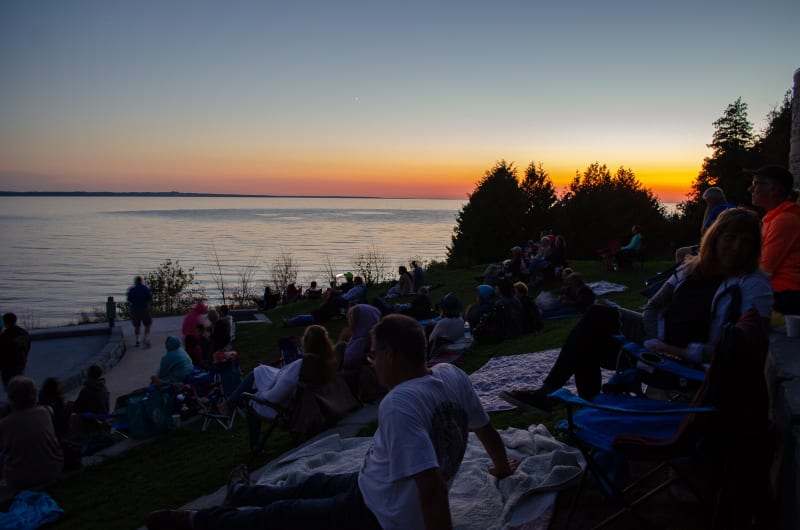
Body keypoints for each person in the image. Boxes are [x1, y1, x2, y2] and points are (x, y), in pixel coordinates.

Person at [146, 314, 518, 530]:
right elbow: (484, 426)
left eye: (373, 355)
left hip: (377, 513)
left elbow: (432, 487)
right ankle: (242, 493)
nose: (371, 362)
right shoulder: (451, 375)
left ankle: (196, 522)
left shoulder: (400, 403)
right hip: (374, 485)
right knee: (311, 483)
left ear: (389, 355)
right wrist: (501, 466)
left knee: (281, 517)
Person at [501, 207, 773, 413]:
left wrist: (679, 352)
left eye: (746, 242)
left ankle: (576, 404)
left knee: (589, 342)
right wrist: (655, 341)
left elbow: (741, 347)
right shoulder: (692, 269)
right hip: (657, 342)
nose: (737, 247)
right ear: (716, 238)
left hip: (689, 366)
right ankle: (565, 399)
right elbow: (654, 306)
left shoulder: (752, 284)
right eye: (731, 238)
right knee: (596, 316)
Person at [216, 325, 339, 418]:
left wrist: (261, 393)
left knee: (254, 382)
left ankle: (229, 406)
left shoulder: (302, 365)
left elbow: (275, 396)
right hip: (310, 403)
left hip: (288, 409)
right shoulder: (329, 362)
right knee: (261, 370)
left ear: (306, 342)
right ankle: (229, 403)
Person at [748, 165, 800, 314]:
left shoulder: (785, 220)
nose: (750, 189)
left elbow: (764, 269)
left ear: (774, 189)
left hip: (784, 294)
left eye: (755, 184)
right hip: (773, 289)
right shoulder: (774, 217)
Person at [0, 376, 63, 491]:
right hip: (53, 470)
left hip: (20, 480)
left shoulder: (4, 425)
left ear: (10, 398)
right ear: (35, 395)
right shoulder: (47, 411)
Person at [675, 186, 735, 263]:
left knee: (680, 252)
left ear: (711, 200)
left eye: (706, 201)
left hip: (712, 247)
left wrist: (708, 209)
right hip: (723, 245)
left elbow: (704, 231)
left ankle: (683, 274)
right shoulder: (731, 207)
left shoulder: (716, 210)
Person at [0, 313, 31, 390]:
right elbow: (28, 346)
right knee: (19, 381)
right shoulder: (24, 332)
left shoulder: (5, 335)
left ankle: (14, 398)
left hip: (8, 364)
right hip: (21, 361)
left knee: (9, 385)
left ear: (5, 322)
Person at [127, 276, 154, 347]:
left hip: (134, 309)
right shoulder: (145, 289)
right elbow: (150, 298)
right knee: (148, 324)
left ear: (135, 281)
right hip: (144, 308)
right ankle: (146, 338)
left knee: (137, 325)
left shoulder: (132, 289)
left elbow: (129, 299)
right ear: (141, 281)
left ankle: (137, 340)